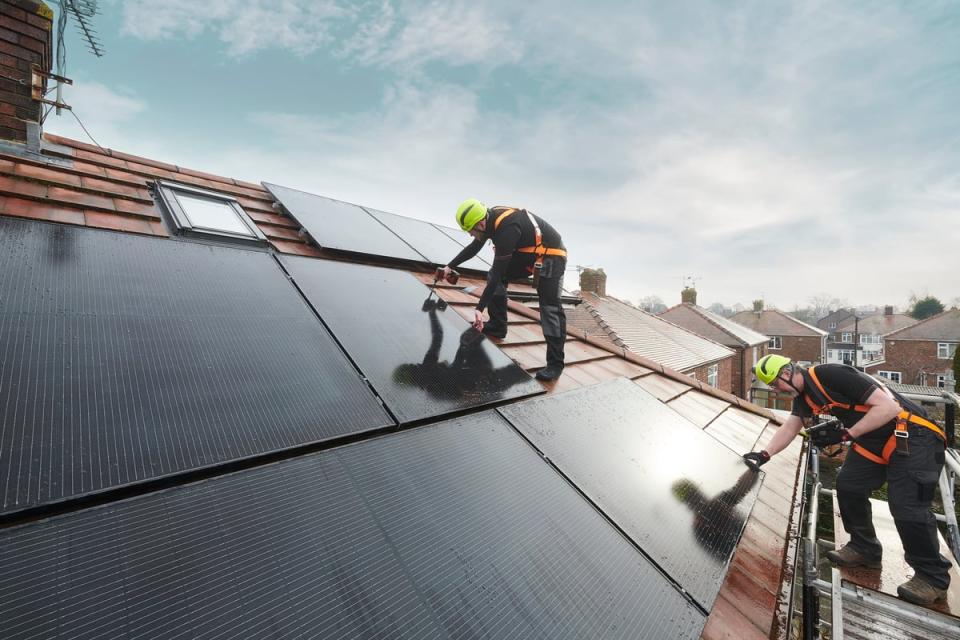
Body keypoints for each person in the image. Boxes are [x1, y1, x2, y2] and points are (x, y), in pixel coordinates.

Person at [743, 354, 952, 606]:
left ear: (787, 372)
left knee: (907, 507)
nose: (776, 390)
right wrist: (764, 454)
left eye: (776, 384)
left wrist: (846, 434)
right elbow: (791, 426)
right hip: (873, 441)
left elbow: (889, 408)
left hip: (914, 436)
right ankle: (865, 549)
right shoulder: (804, 398)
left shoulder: (830, 375)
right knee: (848, 485)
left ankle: (932, 578)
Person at [438, 199, 567, 381]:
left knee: (550, 308)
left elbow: (499, 272)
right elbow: (474, 246)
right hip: (528, 255)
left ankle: (555, 364)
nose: (471, 235)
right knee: (493, 276)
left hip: (552, 256)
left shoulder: (507, 228)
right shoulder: (490, 219)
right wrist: (449, 266)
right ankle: (498, 326)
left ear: (481, 223)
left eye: (472, 230)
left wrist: (479, 309)